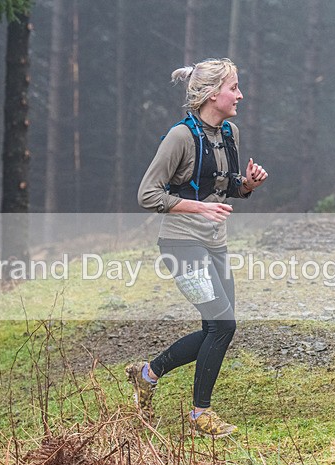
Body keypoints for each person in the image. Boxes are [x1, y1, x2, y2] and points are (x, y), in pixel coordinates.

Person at [128, 58, 268, 438]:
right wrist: (198, 206)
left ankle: (147, 374)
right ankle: (199, 416)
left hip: (215, 245)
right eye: (233, 88)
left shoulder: (230, 132)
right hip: (180, 245)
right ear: (211, 94)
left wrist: (249, 184)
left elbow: (227, 186)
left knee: (218, 327)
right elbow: (147, 194)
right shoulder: (179, 138)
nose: (240, 94)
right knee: (223, 324)